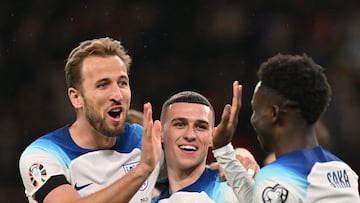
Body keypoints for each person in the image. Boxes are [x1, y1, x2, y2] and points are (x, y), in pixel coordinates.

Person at [19, 37, 162, 203]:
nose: (117, 95)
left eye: (122, 83)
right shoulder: (43, 155)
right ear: (76, 97)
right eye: (103, 85)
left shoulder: (145, 141)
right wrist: (142, 170)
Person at [212, 53, 360, 202]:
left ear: (274, 114)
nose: (253, 120)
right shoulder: (344, 172)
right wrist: (223, 149)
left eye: (256, 111)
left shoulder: (275, 177)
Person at [152, 81, 255, 203]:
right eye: (180, 124)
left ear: (212, 136)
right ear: (160, 132)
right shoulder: (147, 195)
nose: (190, 135)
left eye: (200, 127)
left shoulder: (231, 189)